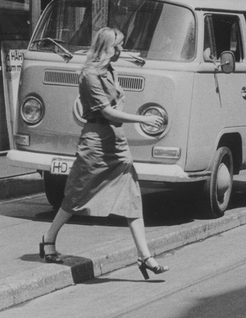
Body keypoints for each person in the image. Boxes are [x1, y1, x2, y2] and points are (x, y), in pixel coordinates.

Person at [40, 27, 169, 279]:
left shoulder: (110, 70)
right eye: (118, 45)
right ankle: (48, 239)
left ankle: (145, 256)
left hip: (116, 143)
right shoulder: (89, 75)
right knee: (76, 194)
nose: (122, 50)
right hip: (96, 142)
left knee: (132, 197)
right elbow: (108, 112)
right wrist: (141, 119)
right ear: (106, 47)